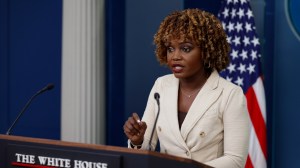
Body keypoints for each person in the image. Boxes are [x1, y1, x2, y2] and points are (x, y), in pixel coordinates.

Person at [123, 8, 250, 168]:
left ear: (207, 51)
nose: (175, 56)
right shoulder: (161, 85)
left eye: (186, 48)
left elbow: (235, 161)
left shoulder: (230, 94)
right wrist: (137, 141)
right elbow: (145, 150)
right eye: (170, 49)